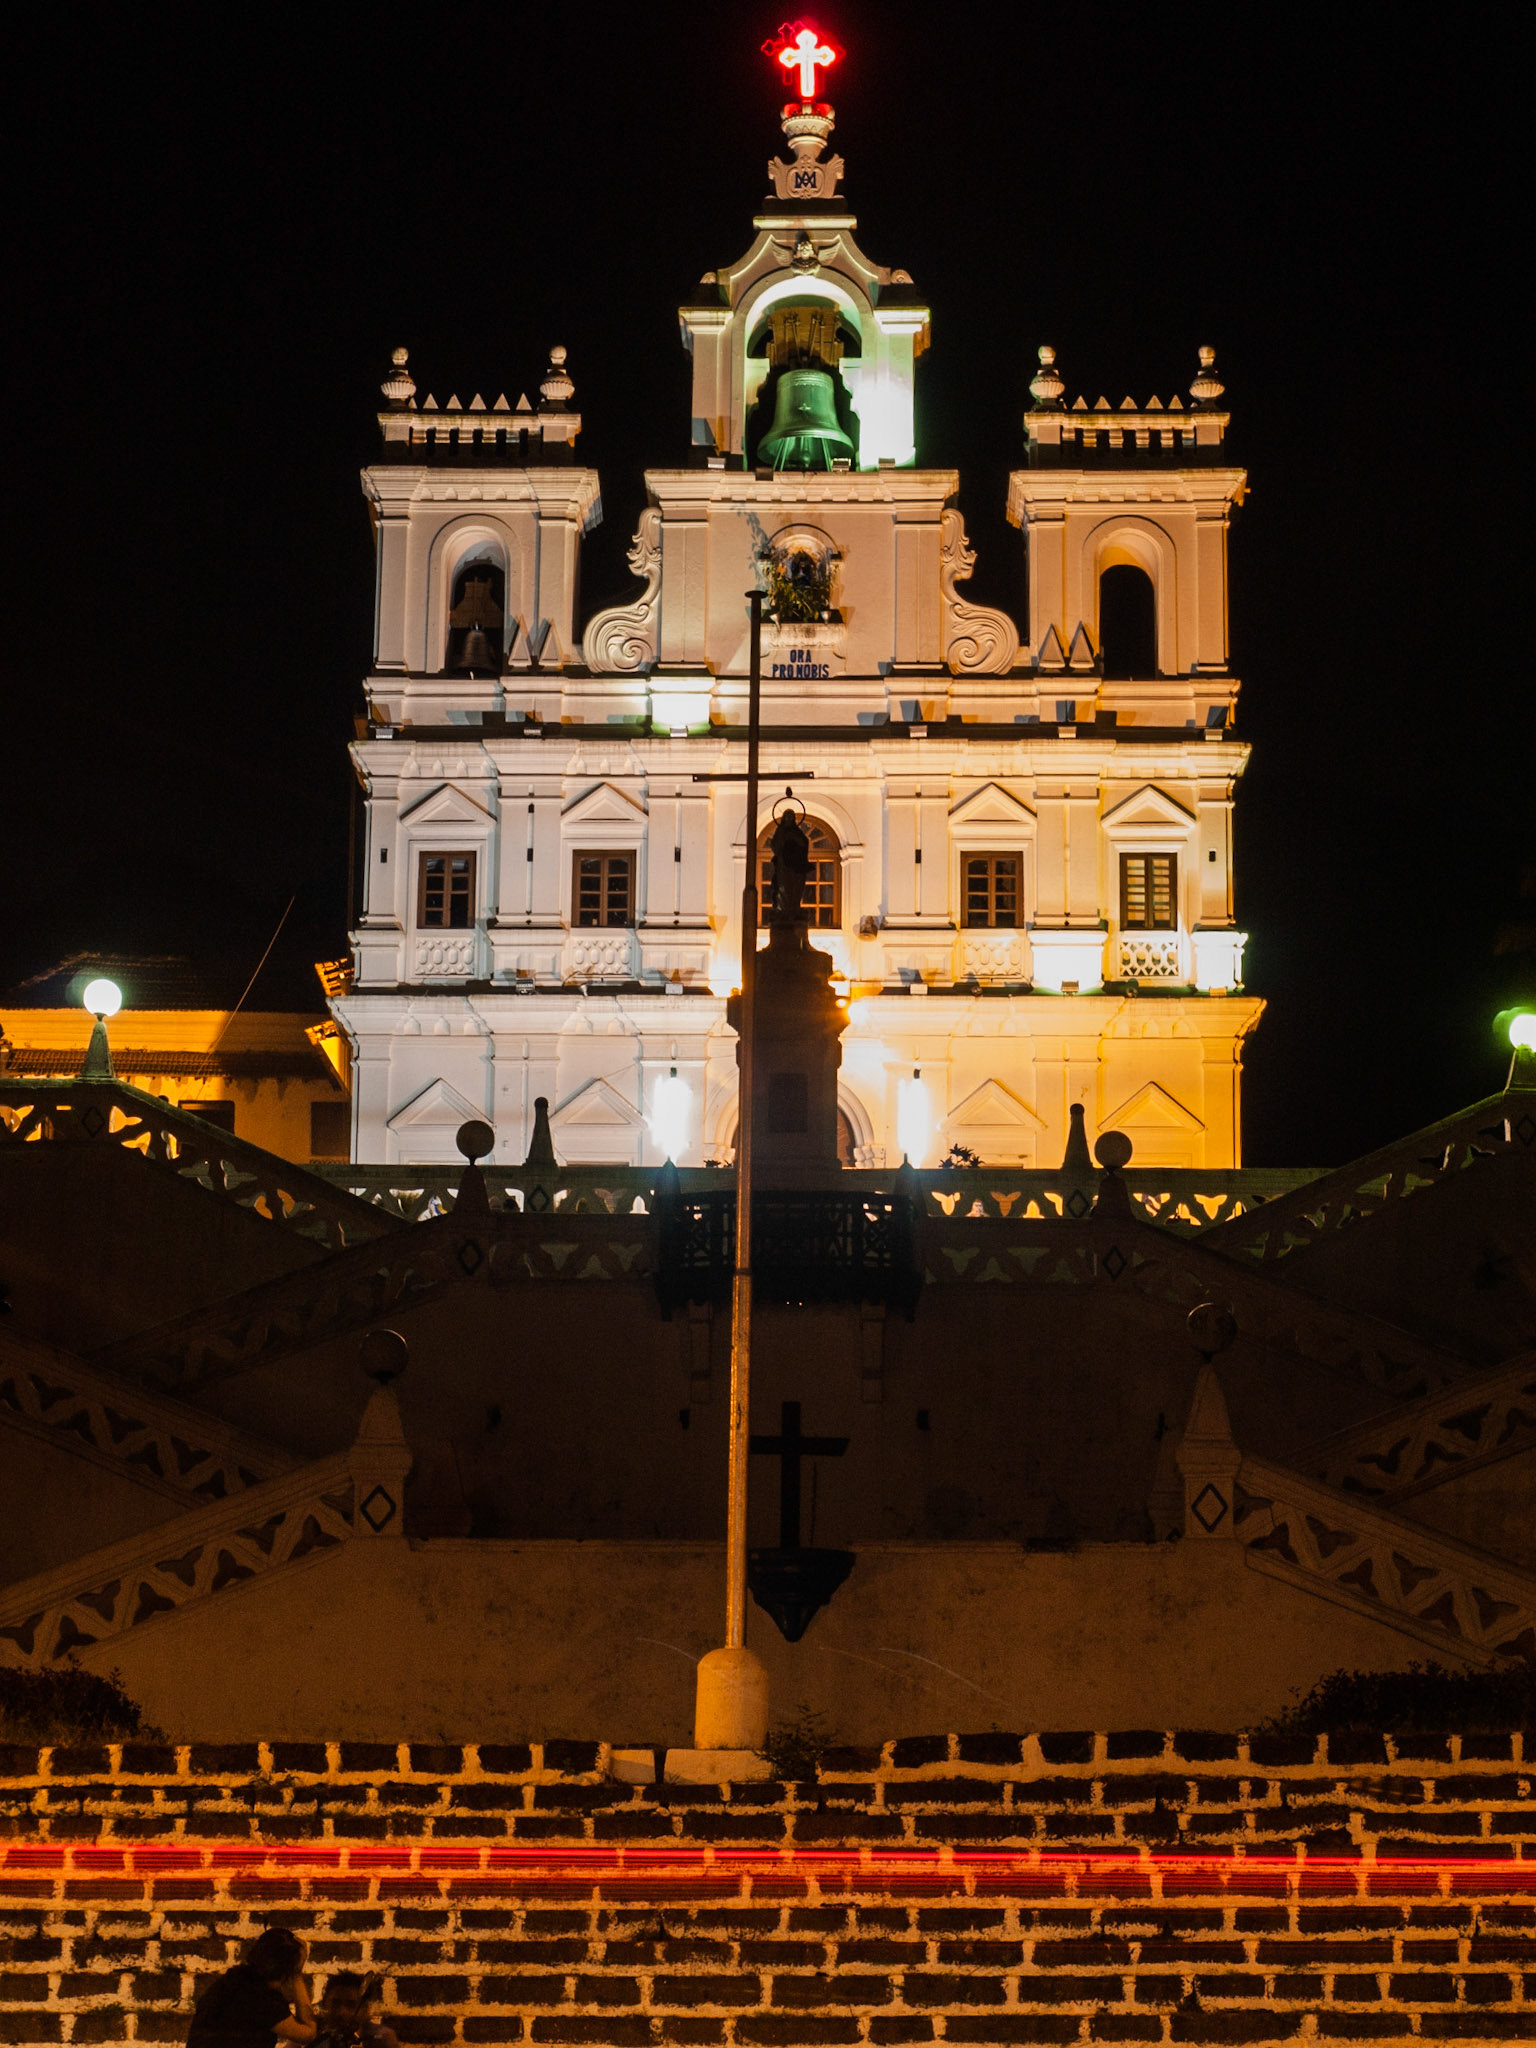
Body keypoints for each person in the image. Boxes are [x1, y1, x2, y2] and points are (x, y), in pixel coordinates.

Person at [186, 1927, 316, 2048]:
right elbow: (308, 2034)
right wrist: (297, 1975)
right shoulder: (264, 1999)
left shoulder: (234, 1980)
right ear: (287, 1969)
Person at [313, 1973, 397, 2048]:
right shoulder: (316, 2035)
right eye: (335, 2003)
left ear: (365, 2008)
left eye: (351, 2005)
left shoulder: (380, 2038)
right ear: (324, 2003)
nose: (342, 2011)